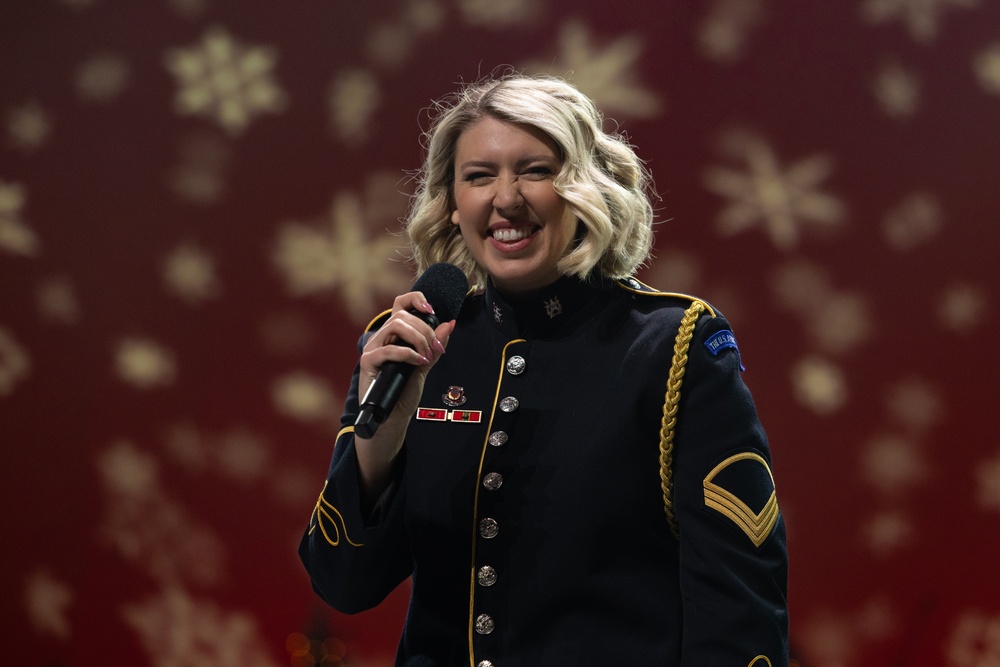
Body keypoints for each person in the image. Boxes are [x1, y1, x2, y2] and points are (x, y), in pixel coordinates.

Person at [299, 73, 788, 666]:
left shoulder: (675, 346)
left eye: (534, 170)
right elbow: (343, 585)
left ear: (585, 189)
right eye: (478, 177)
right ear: (452, 206)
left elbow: (739, 616)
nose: (505, 199)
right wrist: (380, 445)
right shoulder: (411, 343)